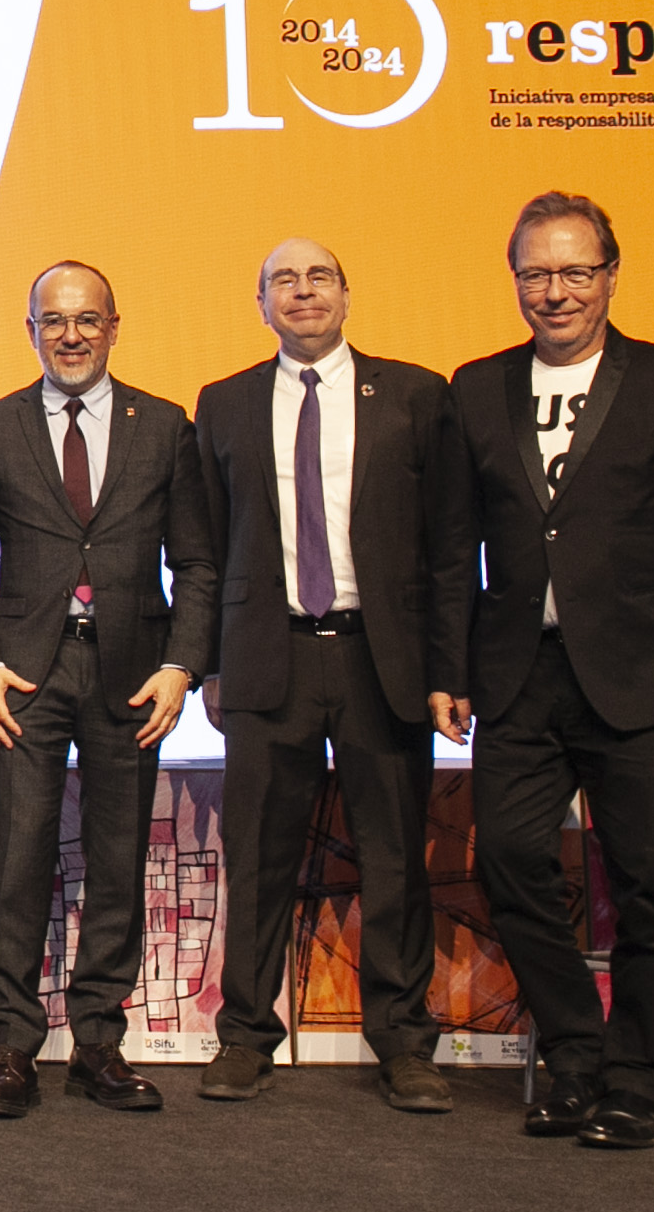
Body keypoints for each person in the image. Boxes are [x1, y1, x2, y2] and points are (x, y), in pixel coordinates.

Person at [445, 192, 654, 1149]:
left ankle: (638, 1079)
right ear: (515, 280)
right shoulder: (479, 385)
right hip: (519, 676)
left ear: (611, 275)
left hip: (645, 675)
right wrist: (446, 667)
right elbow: (450, 544)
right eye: (536, 273)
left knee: (645, 883)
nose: (555, 291)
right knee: (509, 859)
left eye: (574, 271)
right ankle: (575, 1057)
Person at [191, 238, 474, 1114]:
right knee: (258, 856)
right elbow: (204, 544)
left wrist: (448, 666)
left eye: (319, 277)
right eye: (283, 279)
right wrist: (208, 663)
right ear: (261, 304)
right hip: (265, 653)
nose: (302, 291)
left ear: (347, 294)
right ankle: (245, 1037)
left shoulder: (417, 394)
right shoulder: (225, 401)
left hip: (380, 657)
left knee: (394, 858)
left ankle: (405, 1044)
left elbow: (451, 545)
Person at [0, 261, 209, 1117]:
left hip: (134, 673)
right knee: (18, 863)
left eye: (87, 319)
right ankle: (12, 1050)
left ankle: (100, 1041)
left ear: (113, 327)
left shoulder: (164, 425)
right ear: (30, 331)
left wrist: (182, 664)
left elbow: (197, 562)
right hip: (25, 675)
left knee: (117, 860)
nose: (71, 335)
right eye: (53, 321)